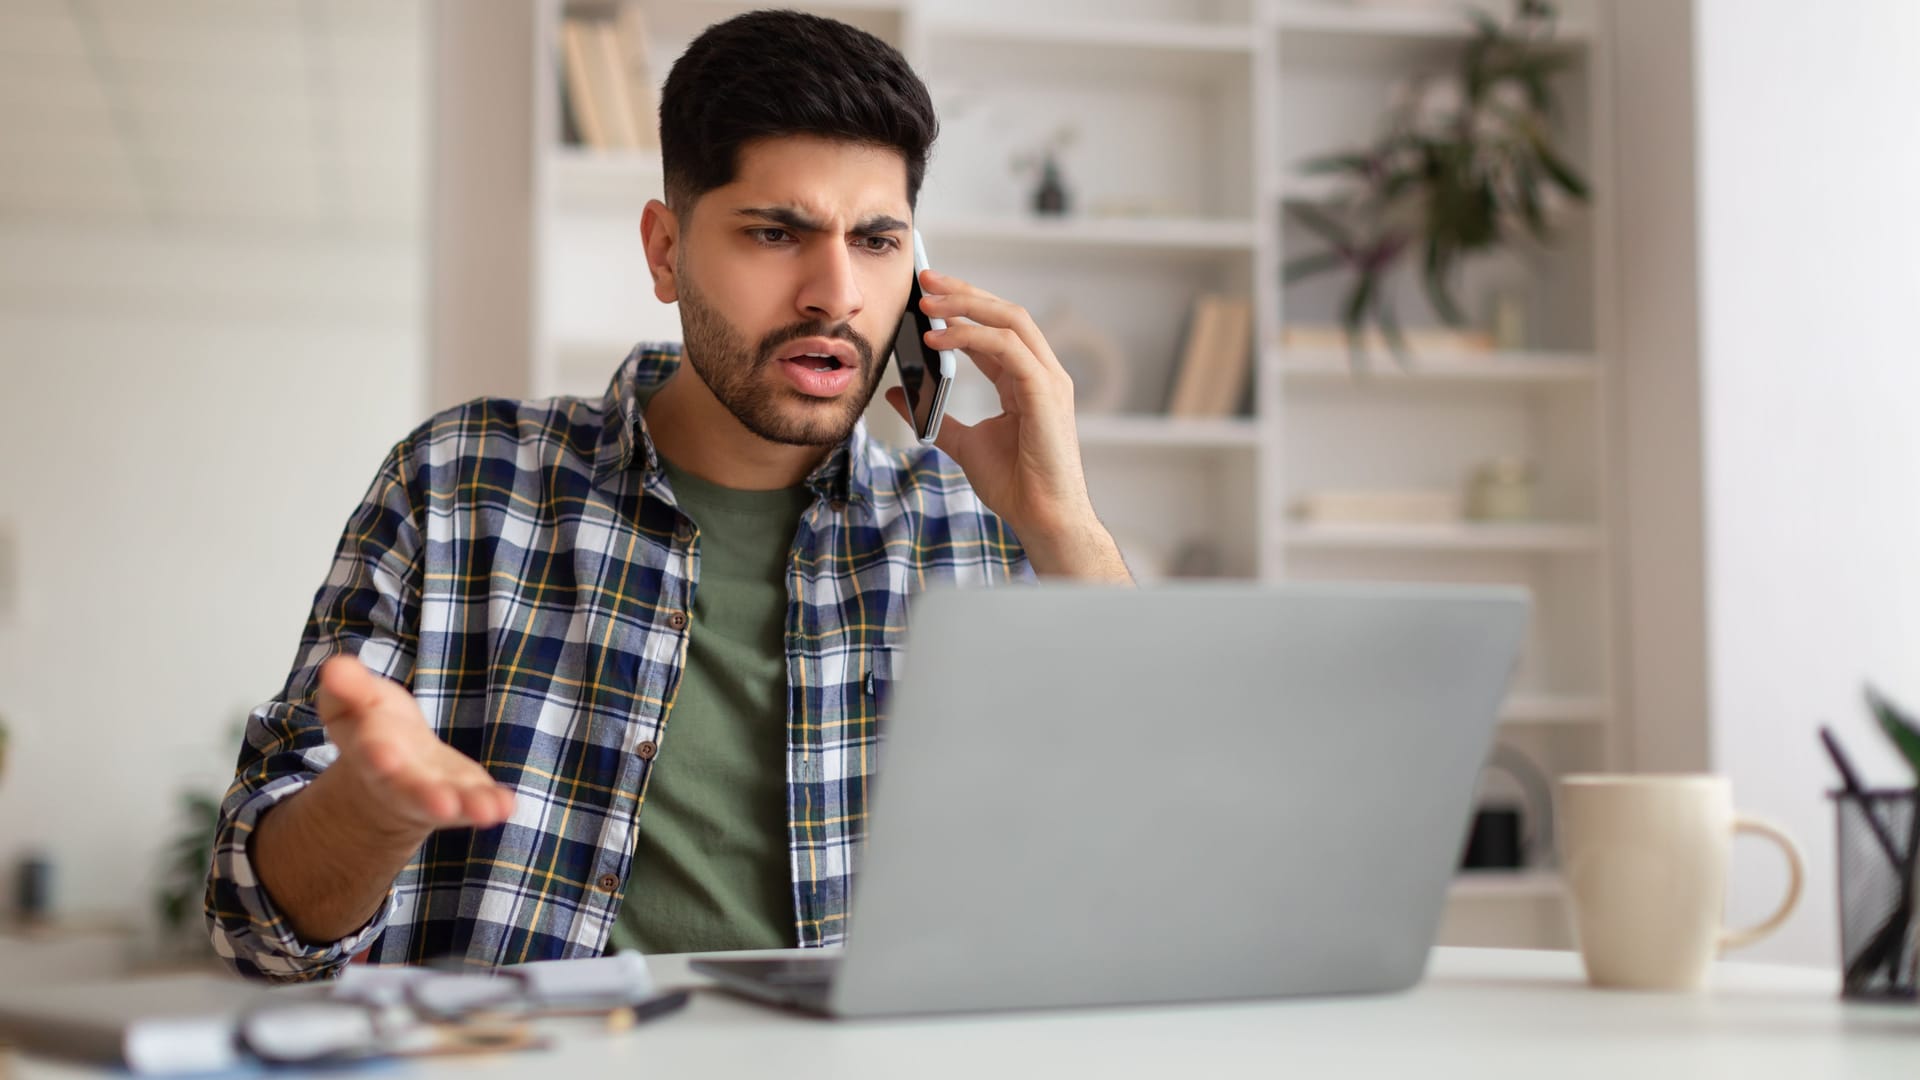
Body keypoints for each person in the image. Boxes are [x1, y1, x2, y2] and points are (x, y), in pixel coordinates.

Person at [205, 8, 1130, 982]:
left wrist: (1069, 532)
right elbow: (254, 931)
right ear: (664, 249)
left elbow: (1147, 873)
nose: (835, 292)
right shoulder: (461, 483)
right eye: (778, 232)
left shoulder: (967, 533)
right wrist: (371, 810)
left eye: (876, 241)